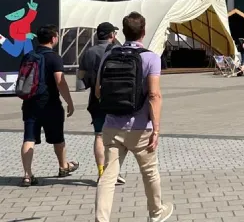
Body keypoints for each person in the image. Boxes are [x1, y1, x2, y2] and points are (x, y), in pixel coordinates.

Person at [95, 12, 174, 222]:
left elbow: (97, 92)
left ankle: (101, 219)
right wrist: (156, 129)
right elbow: (154, 95)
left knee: (108, 177)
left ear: (124, 31)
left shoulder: (108, 55)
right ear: (144, 32)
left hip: (112, 125)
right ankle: (156, 213)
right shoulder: (150, 57)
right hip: (140, 127)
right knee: (149, 172)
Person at [20, 25, 79, 187]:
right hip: (50, 104)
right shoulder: (54, 57)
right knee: (58, 138)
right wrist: (70, 102)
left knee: (29, 138)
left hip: (30, 103)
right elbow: (60, 81)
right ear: (53, 38)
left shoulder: (29, 56)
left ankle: (27, 175)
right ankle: (63, 166)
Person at [77, 22, 125, 184]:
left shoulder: (89, 52)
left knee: (99, 135)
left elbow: (80, 78)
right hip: (117, 99)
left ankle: (101, 172)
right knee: (116, 138)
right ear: (111, 35)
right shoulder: (117, 50)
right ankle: (114, 172)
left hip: (96, 101)